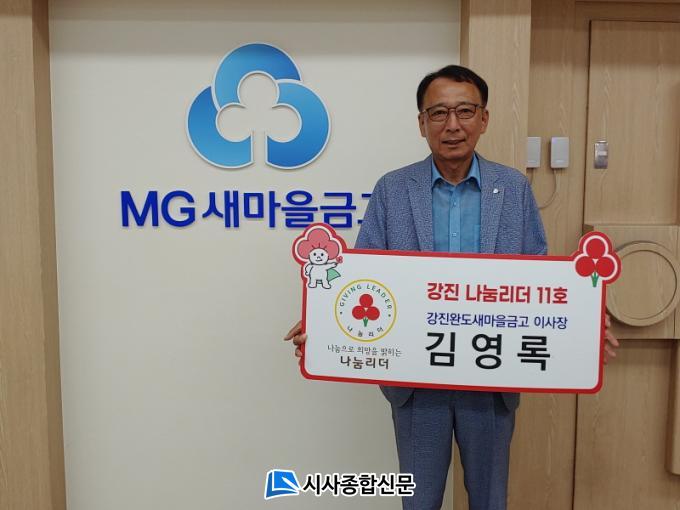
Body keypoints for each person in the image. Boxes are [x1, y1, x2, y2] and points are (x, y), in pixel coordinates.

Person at [284, 65, 619, 510]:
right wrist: (325, 324)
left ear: (484, 118)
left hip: (492, 376)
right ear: (421, 123)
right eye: (439, 113)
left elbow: (539, 277)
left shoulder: (514, 188)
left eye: (465, 111)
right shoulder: (392, 189)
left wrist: (582, 324)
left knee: (490, 499)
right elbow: (362, 276)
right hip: (416, 381)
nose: (453, 125)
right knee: (418, 501)